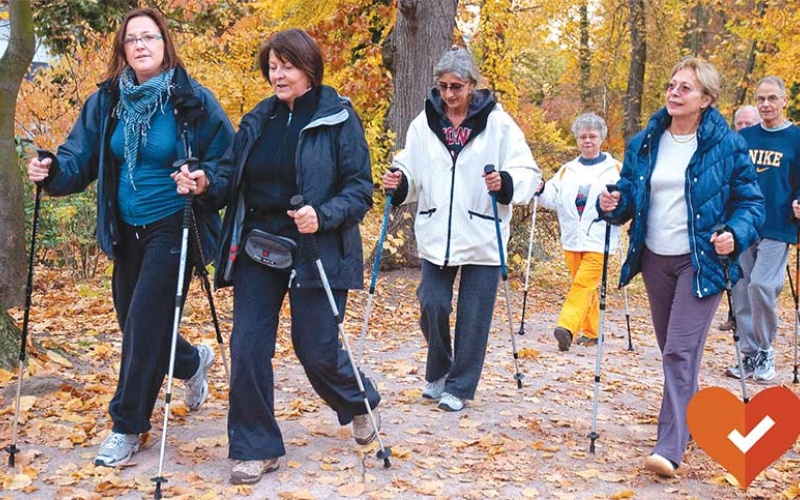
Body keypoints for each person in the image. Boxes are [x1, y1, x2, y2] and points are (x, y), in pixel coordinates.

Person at [26, 7, 234, 467]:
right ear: (123, 49)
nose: (141, 45)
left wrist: (202, 179)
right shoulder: (108, 102)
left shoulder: (191, 101)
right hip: (126, 231)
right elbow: (78, 159)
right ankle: (191, 363)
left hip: (175, 226)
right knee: (138, 326)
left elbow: (228, 162)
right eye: (132, 39)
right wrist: (51, 170)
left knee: (143, 324)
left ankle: (127, 426)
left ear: (166, 44)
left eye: (150, 37)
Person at [215, 28, 380, 485]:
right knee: (247, 345)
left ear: (309, 68)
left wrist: (322, 215)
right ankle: (255, 447)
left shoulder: (338, 117)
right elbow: (229, 176)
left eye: (287, 65)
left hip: (317, 247)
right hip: (259, 245)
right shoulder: (257, 119)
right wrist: (205, 182)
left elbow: (359, 190)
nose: (277, 74)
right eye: (272, 66)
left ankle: (357, 399)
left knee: (317, 349)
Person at [598, 57, 764, 478]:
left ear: (706, 99)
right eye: (672, 85)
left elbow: (752, 204)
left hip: (701, 260)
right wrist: (614, 206)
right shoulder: (646, 142)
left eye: (685, 88)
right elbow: (630, 196)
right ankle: (688, 422)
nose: (674, 92)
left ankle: (668, 447)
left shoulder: (727, 145)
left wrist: (735, 233)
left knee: (679, 352)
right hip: (654, 258)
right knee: (675, 354)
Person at [382, 47, 539, 413]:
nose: (449, 95)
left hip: (483, 233)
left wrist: (506, 183)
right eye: (442, 87)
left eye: (456, 87)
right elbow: (410, 168)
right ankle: (439, 370)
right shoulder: (425, 123)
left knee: (473, 316)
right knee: (432, 303)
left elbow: (529, 172)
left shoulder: (498, 123)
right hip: (437, 232)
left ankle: (460, 386)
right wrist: (399, 181)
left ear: (472, 85)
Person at [725, 76, 800, 383]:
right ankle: (749, 353)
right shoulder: (745, 138)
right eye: (761, 99)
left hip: (778, 224)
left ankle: (765, 350)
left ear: (784, 101)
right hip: (744, 225)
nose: (766, 104)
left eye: (772, 98)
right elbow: (731, 178)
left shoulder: (796, 138)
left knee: (762, 286)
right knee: (741, 290)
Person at [536, 113, 621, 351]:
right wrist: (540, 188)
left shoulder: (615, 169)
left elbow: (626, 200)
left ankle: (567, 327)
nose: (587, 141)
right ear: (576, 139)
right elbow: (551, 198)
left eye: (592, 136)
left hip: (599, 238)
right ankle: (593, 333)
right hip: (572, 239)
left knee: (583, 284)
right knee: (584, 286)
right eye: (582, 136)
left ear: (601, 138)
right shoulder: (566, 170)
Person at [718, 104, 763, 332]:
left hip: (765, 222)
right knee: (739, 275)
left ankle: (758, 328)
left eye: (749, 123)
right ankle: (734, 316)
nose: (744, 128)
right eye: (740, 124)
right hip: (736, 223)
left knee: (760, 282)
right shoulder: (730, 148)